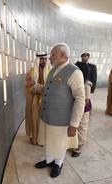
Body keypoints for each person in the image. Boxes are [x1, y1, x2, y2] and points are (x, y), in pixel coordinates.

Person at [34, 43, 85, 178]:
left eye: (53, 55)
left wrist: (74, 124)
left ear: (63, 56)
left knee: (59, 143)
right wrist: (35, 86)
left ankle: (58, 163)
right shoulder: (53, 70)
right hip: (47, 116)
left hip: (62, 120)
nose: (50, 58)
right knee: (50, 140)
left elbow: (80, 99)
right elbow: (47, 89)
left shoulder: (74, 72)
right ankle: (49, 161)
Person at [71, 52, 97, 157]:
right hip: (76, 104)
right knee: (75, 125)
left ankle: (79, 146)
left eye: (87, 56)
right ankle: (73, 143)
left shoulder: (87, 83)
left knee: (82, 125)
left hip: (83, 106)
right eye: (83, 56)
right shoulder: (76, 66)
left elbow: (85, 100)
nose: (85, 57)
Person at [25, 52, 50, 145]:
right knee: (34, 119)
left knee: (44, 121)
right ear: (38, 60)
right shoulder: (31, 72)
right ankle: (34, 138)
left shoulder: (50, 72)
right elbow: (29, 88)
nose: (44, 61)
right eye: (42, 59)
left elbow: (50, 88)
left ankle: (42, 139)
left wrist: (36, 86)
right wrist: (39, 88)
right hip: (34, 101)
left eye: (45, 59)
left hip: (46, 101)